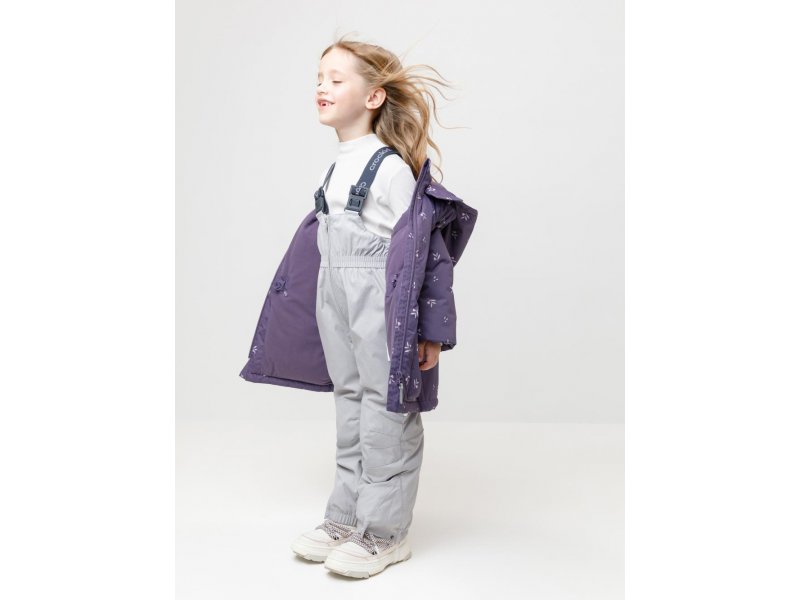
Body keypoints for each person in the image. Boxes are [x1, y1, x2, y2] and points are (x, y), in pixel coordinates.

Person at [288, 36, 458, 579]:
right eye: (319, 79)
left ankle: (386, 533)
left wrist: (430, 330)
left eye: (336, 80)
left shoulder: (388, 170)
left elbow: (428, 253)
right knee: (350, 403)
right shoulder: (334, 168)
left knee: (387, 409)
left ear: (374, 96)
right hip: (336, 299)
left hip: (379, 301)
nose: (322, 87)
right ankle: (346, 517)